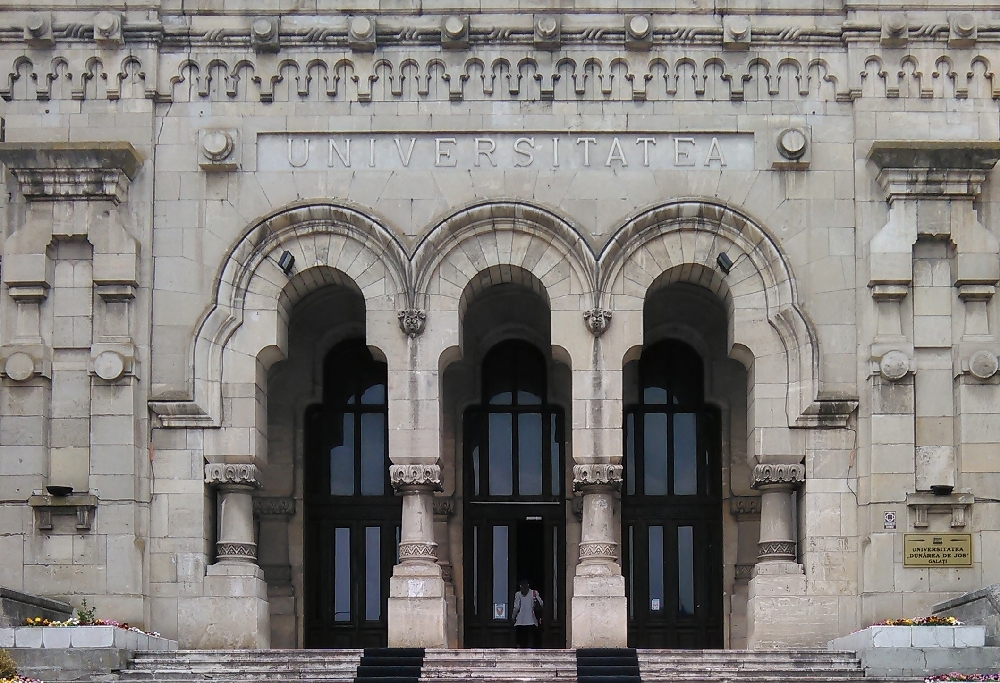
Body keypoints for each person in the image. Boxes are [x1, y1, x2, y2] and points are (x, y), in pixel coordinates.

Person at [511, 579, 543, 648]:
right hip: (531, 620)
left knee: (521, 639)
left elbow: (516, 607)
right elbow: (541, 603)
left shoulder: (518, 594)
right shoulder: (534, 593)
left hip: (520, 621)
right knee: (530, 639)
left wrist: (513, 617)